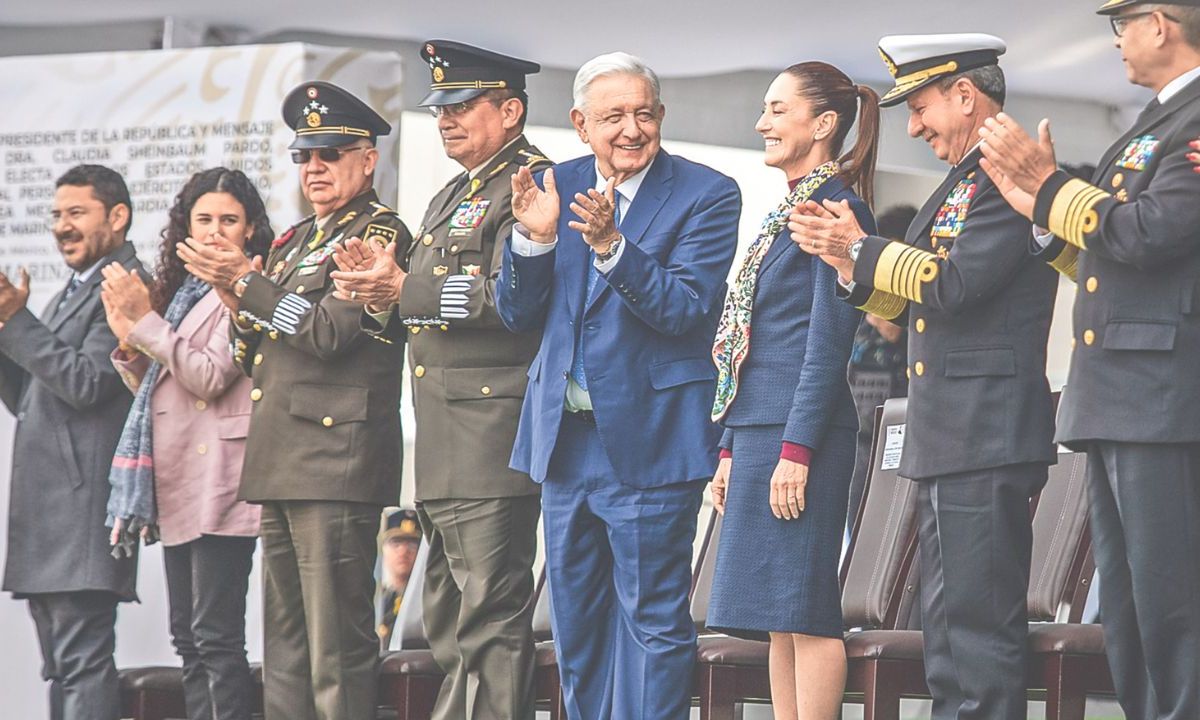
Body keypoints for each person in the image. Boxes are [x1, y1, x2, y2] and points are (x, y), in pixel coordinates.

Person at [790, 35, 1059, 720]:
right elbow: (915, 302)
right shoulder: (967, 177)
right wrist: (853, 269)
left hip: (985, 430)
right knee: (946, 636)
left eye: (922, 107)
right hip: (953, 431)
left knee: (977, 640)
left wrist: (861, 249)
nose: (913, 125)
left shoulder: (1003, 174)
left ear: (965, 95)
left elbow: (956, 285)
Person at [496, 51, 741, 720]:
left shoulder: (708, 193)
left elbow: (686, 310)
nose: (630, 129)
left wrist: (612, 248)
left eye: (643, 113)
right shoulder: (553, 183)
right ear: (580, 124)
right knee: (576, 627)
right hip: (565, 445)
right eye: (612, 117)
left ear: (661, 116)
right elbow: (516, 314)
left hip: (652, 441)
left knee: (653, 623)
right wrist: (532, 241)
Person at [978, 2, 1200, 716]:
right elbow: (1112, 252)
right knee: (1129, 603)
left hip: (1162, 394)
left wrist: (1050, 190)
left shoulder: (1192, 120)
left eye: (1123, 27)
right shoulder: (1152, 123)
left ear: (1161, 24)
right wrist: (1040, 215)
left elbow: (1152, 233)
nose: (1119, 44)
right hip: (1116, 391)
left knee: (1174, 599)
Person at [178, 82, 412, 720]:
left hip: (335, 458)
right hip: (284, 456)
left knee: (335, 647)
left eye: (331, 153)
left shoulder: (380, 230)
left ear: (368, 159)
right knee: (283, 650)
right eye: (304, 157)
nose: (314, 168)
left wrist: (247, 285)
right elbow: (256, 353)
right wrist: (239, 300)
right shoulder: (295, 240)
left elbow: (328, 333)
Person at [330, 40, 550, 720]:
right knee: (452, 629)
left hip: (491, 435)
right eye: (441, 109)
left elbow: (512, 299)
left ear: (510, 110)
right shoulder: (457, 190)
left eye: (463, 106)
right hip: (449, 439)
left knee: (489, 624)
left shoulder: (531, 182)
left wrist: (408, 285)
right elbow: (422, 298)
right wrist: (381, 290)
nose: (446, 120)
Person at [705, 62, 879, 720]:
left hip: (796, 432)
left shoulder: (836, 208)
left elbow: (824, 343)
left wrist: (796, 448)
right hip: (758, 428)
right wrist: (728, 446)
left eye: (778, 110)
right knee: (777, 615)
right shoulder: (790, 206)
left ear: (824, 124)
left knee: (806, 609)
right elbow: (754, 331)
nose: (762, 123)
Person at [102, 167, 271, 720]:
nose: (216, 231)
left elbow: (208, 375)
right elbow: (160, 388)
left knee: (215, 636)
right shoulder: (181, 292)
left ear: (250, 230)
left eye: (229, 220)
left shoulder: (245, 286)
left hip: (222, 478)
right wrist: (132, 340)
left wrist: (144, 323)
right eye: (204, 219)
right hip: (177, 478)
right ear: (185, 228)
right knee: (187, 639)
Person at [0, 164, 143, 720]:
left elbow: (88, 383)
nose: (62, 225)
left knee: (81, 663)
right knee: (60, 668)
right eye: (57, 214)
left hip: (81, 515)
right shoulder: (73, 290)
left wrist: (18, 323)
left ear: (118, 216)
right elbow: (36, 400)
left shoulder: (124, 285)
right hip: (49, 516)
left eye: (76, 212)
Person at [845, 204, 914, 531]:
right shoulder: (857, 296)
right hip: (856, 435)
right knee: (855, 531)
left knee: (890, 531)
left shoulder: (915, 304)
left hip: (897, 433)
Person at [376, 508, 422, 649]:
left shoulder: (425, 600)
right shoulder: (378, 599)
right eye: (396, 544)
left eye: (412, 545)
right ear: (384, 548)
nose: (403, 551)